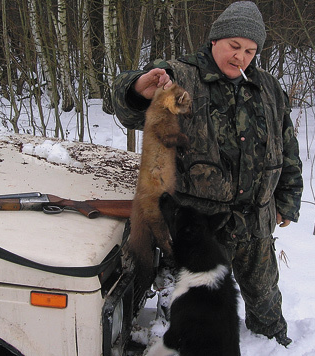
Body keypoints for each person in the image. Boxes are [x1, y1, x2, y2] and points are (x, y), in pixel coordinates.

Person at [112, 1, 303, 347]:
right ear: (215, 39)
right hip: (197, 230)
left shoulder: (269, 89)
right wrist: (139, 87)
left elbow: (287, 148)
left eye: (249, 50)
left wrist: (286, 201)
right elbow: (127, 105)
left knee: (267, 309)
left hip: (256, 225)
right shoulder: (179, 76)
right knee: (192, 323)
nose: (240, 57)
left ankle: (274, 345)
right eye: (234, 46)